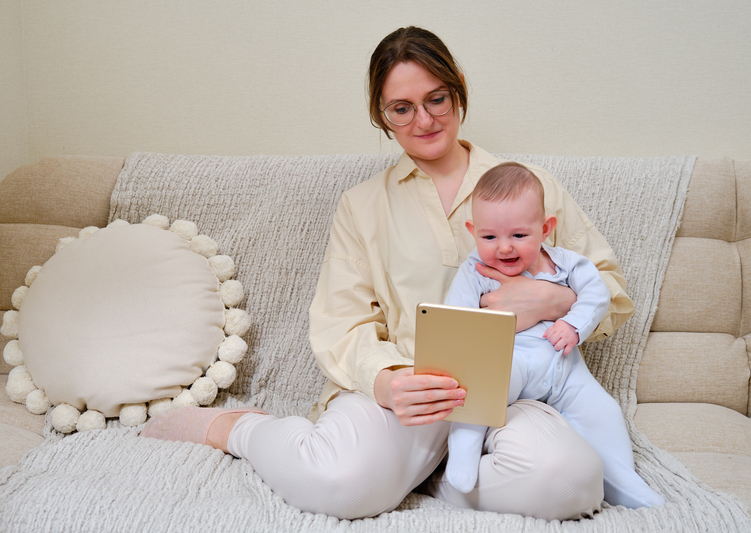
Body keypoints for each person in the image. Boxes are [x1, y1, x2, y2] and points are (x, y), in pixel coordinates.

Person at [141, 26, 637, 520]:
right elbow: (342, 323)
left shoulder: (530, 186)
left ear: (458, 87)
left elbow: (609, 289)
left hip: (516, 390)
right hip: (411, 392)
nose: (424, 120)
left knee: (572, 484)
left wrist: (558, 302)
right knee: (335, 484)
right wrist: (387, 380)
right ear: (382, 114)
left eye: (437, 99)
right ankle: (240, 429)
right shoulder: (362, 207)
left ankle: (428, 478)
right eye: (402, 108)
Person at [442, 162, 663, 509]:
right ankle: (462, 454)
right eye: (489, 237)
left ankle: (625, 483)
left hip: (564, 370)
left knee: (603, 412)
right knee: (479, 391)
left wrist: (573, 324)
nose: (503, 248)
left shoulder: (568, 265)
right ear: (473, 231)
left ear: (545, 229)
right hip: (508, 364)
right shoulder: (475, 271)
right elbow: (457, 322)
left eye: (518, 236)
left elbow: (597, 295)